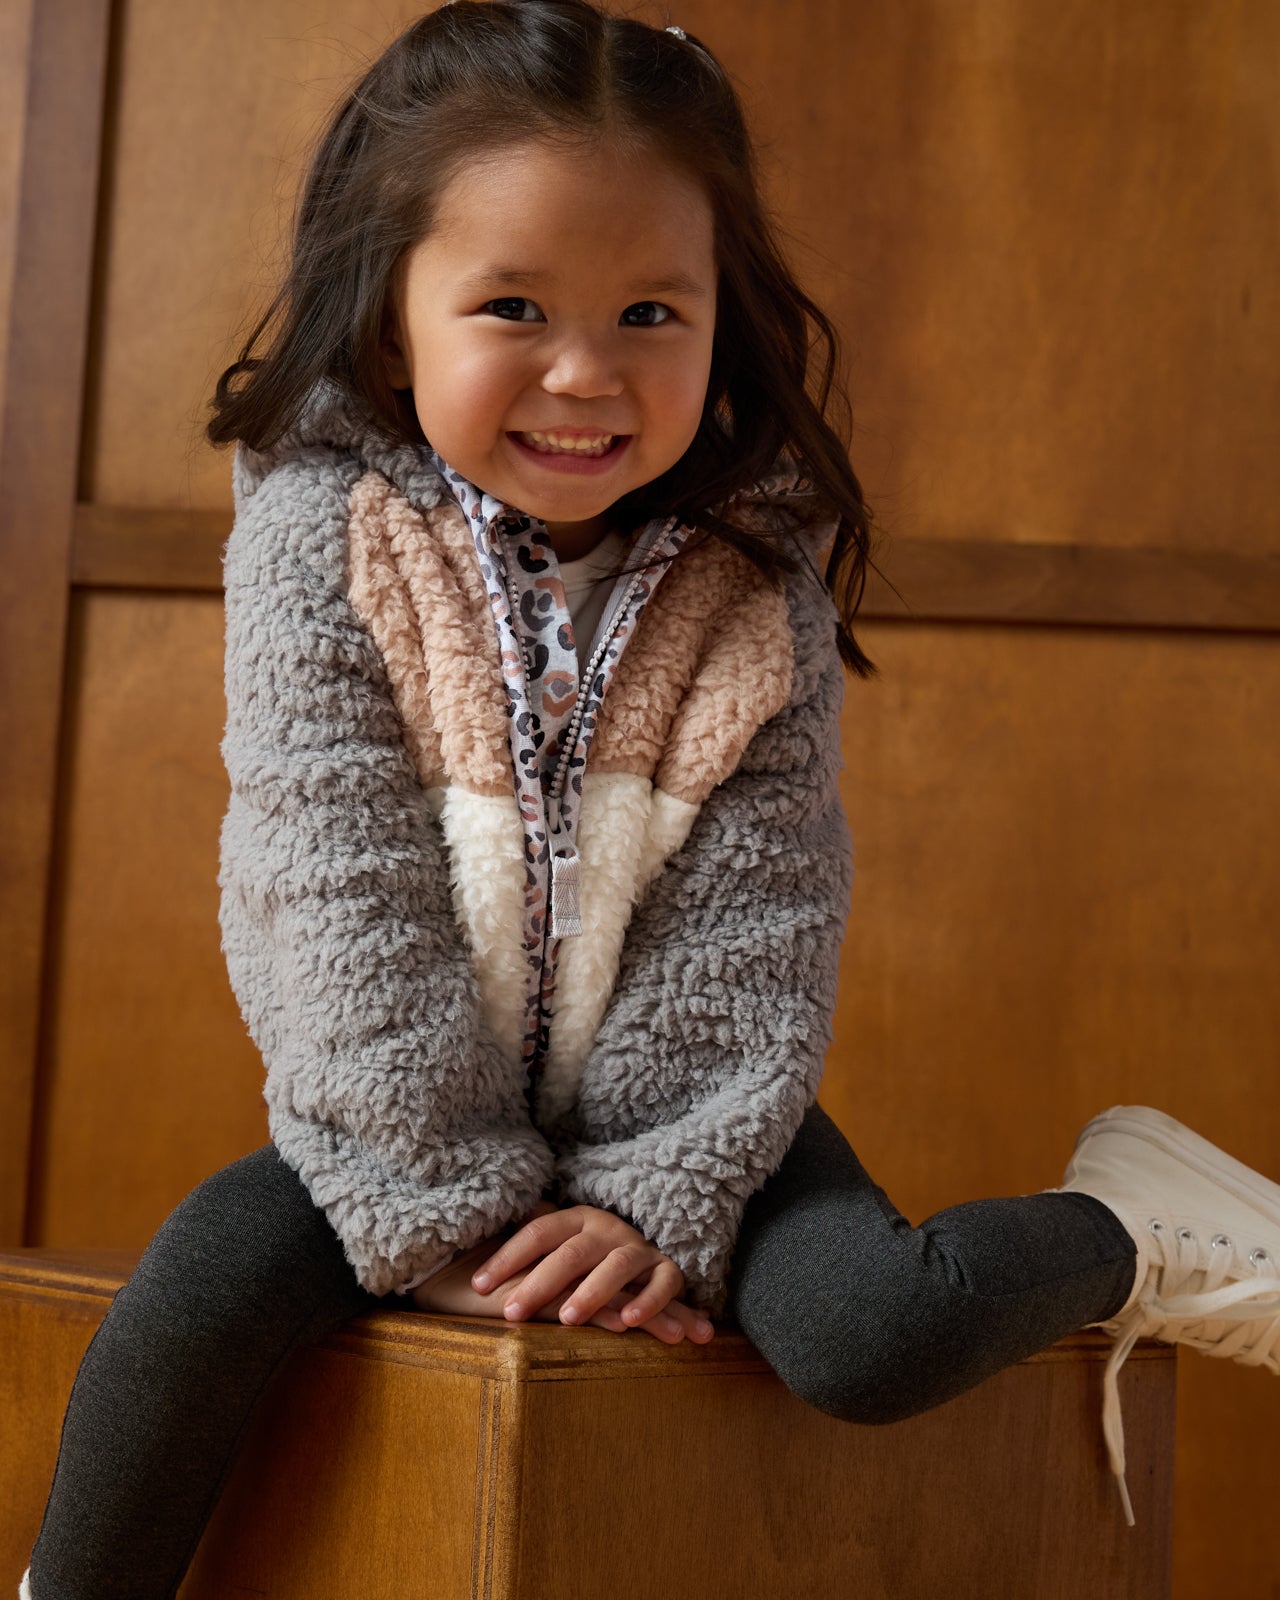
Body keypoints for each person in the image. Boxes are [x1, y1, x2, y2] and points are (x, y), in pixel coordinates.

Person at [20, 3, 1280, 1593]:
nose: (583, 371)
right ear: (393, 321)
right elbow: (336, 895)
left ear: (721, 319)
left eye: (648, 313)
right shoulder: (322, 538)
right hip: (400, 1121)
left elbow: (761, 916)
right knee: (207, 1274)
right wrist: (452, 1217)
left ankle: (1130, 1224)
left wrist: (655, 1199)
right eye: (512, 306)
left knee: (869, 1333)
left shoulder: (753, 583)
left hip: (688, 1110)